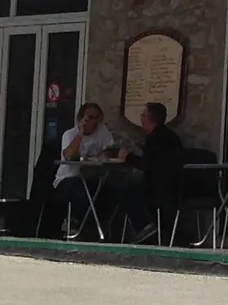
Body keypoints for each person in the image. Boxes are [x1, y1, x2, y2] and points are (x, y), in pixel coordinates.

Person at [118, 102, 184, 243]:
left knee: (125, 192)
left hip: (159, 189)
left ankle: (145, 227)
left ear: (149, 119)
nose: (141, 118)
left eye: (143, 115)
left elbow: (148, 165)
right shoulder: (170, 136)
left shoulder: (155, 138)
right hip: (176, 187)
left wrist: (127, 157)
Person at [53, 103, 119, 228]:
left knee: (111, 193)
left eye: (96, 117)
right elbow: (67, 155)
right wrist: (81, 133)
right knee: (80, 191)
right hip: (68, 178)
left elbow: (111, 149)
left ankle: (101, 229)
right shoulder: (70, 134)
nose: (93, 121)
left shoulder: (102, 131)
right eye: (90, 117)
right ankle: (76, 224)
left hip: (91, 177)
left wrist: (104, 154)